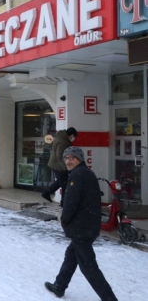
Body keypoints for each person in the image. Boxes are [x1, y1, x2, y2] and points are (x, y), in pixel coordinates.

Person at [45, 147, 117, 300]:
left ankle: (110, 299)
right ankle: (59, 285)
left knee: (89, 268)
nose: (68, 161)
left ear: (80, 159)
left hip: (81, 228)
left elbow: (71, 202)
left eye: (72, 157)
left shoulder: (77, 175)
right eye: (66, 158)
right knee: (71, 255)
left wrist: (64, 219)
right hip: (88, 226)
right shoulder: (86, 173)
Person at [43, 127, 77, 205]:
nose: (74, 138)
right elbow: (59, 156)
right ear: (71, 135)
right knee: (65, 184)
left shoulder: (60, 137)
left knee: (61, 181)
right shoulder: (63, 142)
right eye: (74, 136)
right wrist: (66, 168)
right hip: (58, 166)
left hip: (55, 164)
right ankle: (64, 203)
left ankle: (47, 193)